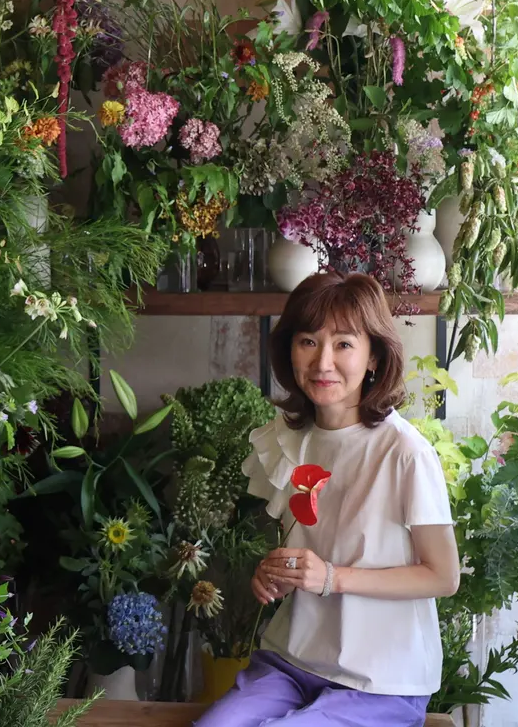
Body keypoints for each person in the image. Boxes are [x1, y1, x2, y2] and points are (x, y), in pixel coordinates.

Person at [194, 272, 460, 727]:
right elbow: (309, 551)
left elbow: (443, 576)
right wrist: (276, 575)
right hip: (294, 661)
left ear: (373, 356)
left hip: (381, 680)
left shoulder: (405, 452)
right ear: (289, 351)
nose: (322, 362)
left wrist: (332, 578)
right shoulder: (288, 439)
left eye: (343, 344)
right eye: (308, 341)